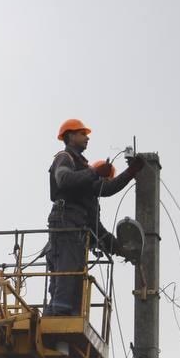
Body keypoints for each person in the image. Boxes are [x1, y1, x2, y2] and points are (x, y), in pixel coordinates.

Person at [44, 118, 144, 316]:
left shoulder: (83, 168)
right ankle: (59, 318)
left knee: (75, 278)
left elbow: (106, 190)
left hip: (77, 229)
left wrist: (132, 171)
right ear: (70, 136)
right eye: (82, 134)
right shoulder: (64, 158)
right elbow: (63, 180)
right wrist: (94, 173)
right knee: (67, 274)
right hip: (65, 225)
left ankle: (67, 318)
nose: (86, 138)